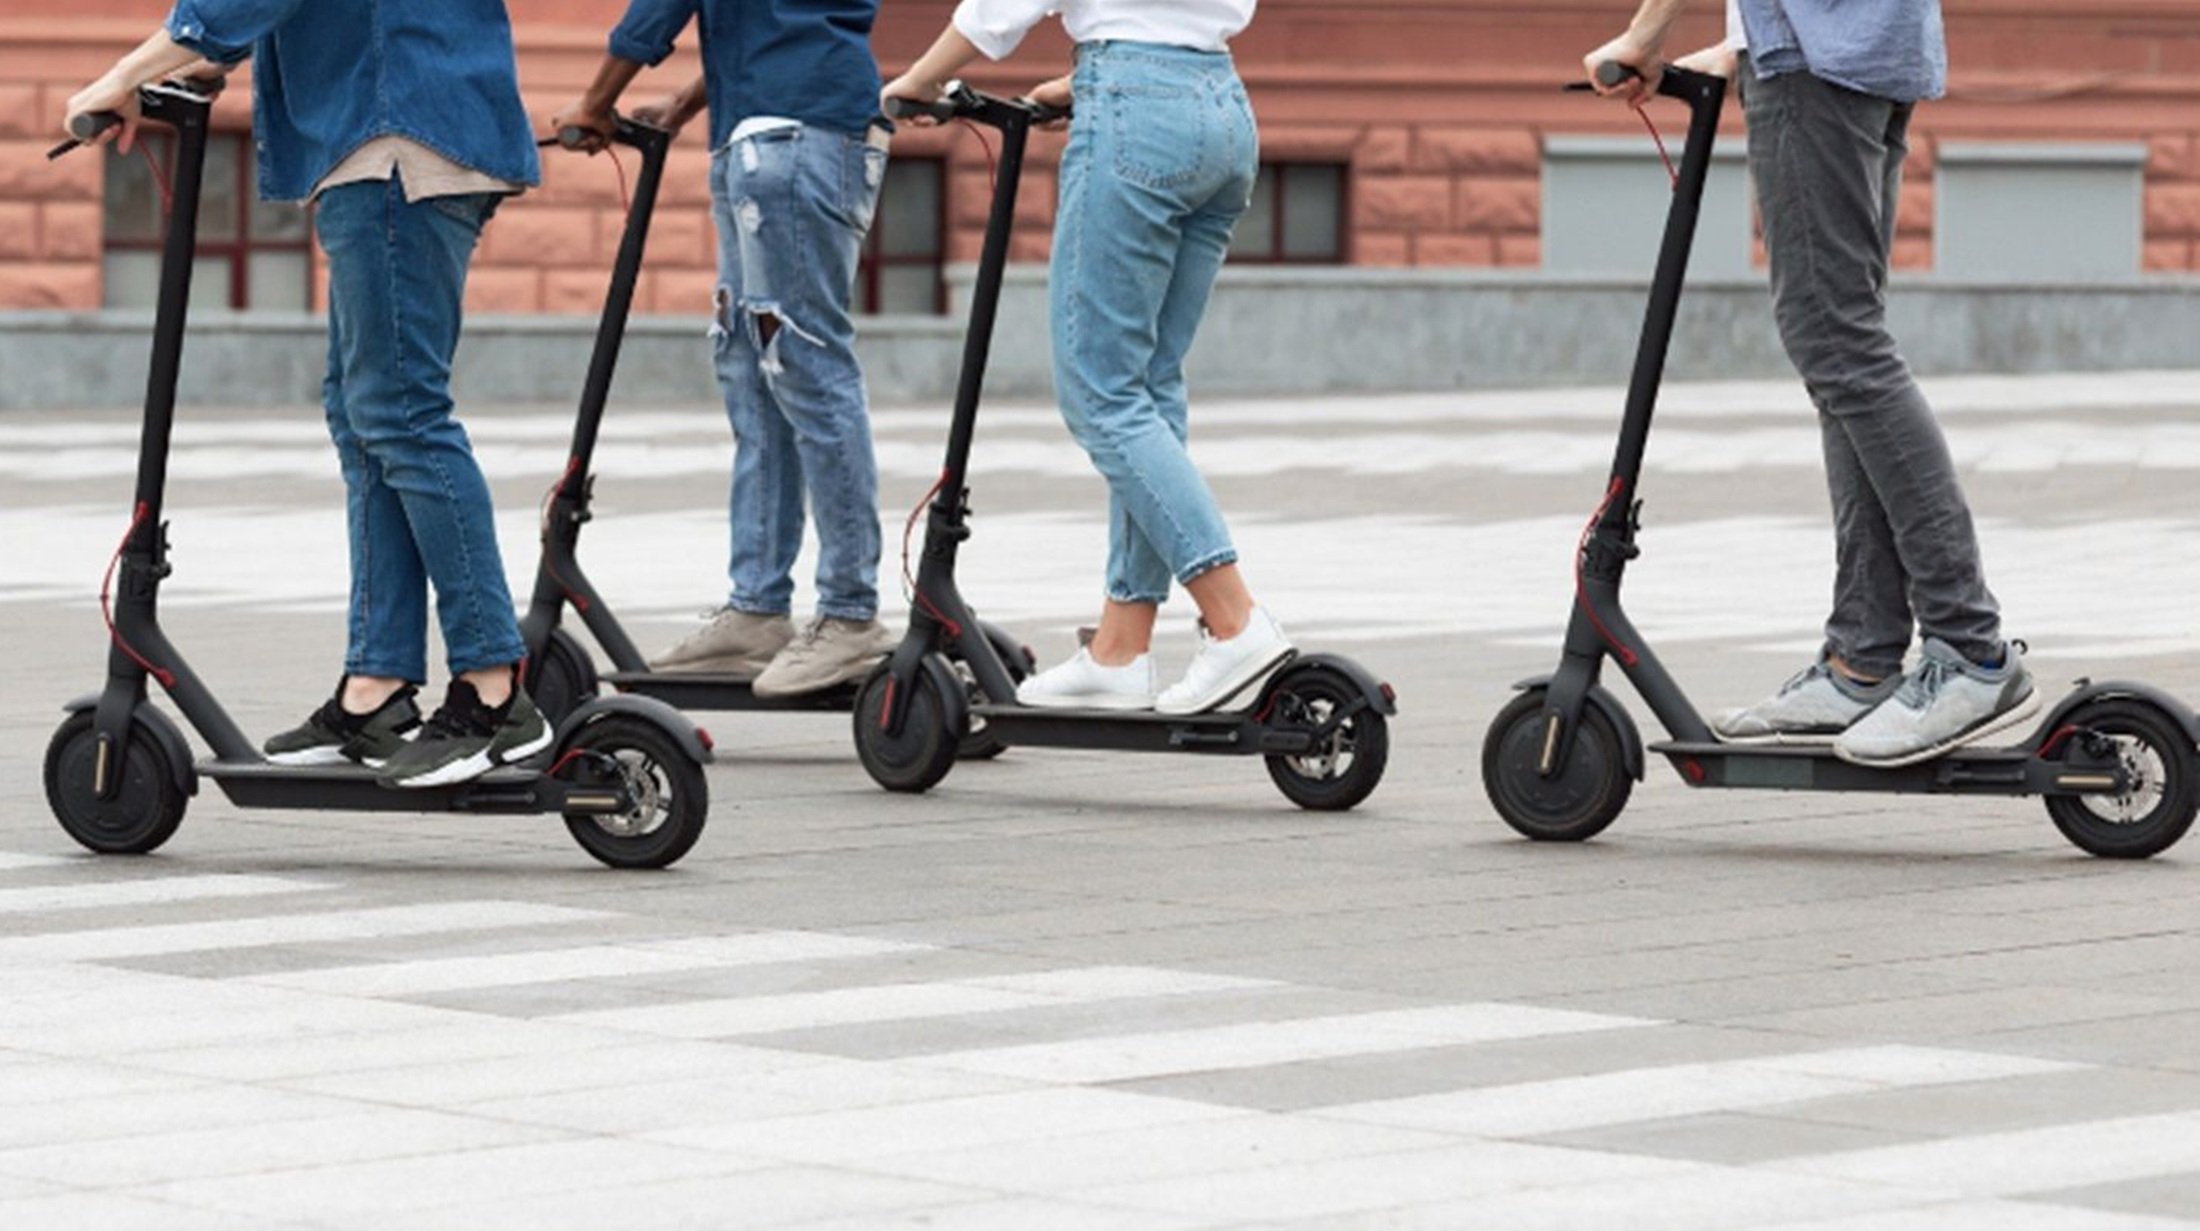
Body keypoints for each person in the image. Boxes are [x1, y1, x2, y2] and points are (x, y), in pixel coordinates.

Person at [65, 0, 551, 788]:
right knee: (366, 419)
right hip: (391, 133)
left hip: (397, 139)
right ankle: (377, 688)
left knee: (403, 414)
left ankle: (494, 690)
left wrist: (126, 72)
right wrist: (208, 60)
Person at [1584, 0, 2038, 767]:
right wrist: (1741, 42)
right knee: (1845, 355)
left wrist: (1644, 35)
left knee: (1840, 345)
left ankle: (1969, 650)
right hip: (1860, 49)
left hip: (1817, 64)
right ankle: (1861, 660)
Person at [882, 0, 1291, 715]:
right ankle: (1120, 646)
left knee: (1101, 393)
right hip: (1221, 105)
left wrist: (916, 81)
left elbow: (1000, 8)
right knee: (1150, 386)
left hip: (1138, 115)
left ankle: (1234, 620)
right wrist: (1084, 82)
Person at [551, 0, 898, 699]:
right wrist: (683, 102)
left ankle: (850, 613)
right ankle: (758, 608)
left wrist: (597, 100)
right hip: (765, 131)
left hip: (793, 136)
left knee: (806, 363)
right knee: (751, 365)